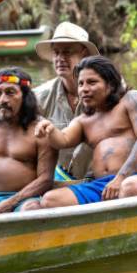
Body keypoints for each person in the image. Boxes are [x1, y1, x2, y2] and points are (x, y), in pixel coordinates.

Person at [27, 56, 137, 209]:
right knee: (50, 200)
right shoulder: (84, 120)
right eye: (80, 83)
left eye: (92, 82)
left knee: (131, 187)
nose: (84, 89)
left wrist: (120, 178)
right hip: (102, 187)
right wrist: (49, 129)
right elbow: (63, 140)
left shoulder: (133, 99)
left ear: (111, 85)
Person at [0, 67, 57, 213]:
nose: (2, 100)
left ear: (25, 98)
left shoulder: (41, 131)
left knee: (31, 209)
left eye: (10, 93)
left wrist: (12, 202)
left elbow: (45, 179)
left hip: (23, 200)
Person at [32, 22, 99, 180]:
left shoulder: (105, 90)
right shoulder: (40, 96)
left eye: (67, 52)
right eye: (56, 53)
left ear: (83, 54)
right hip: (56, 179)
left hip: (97, 177)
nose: (60, 59)